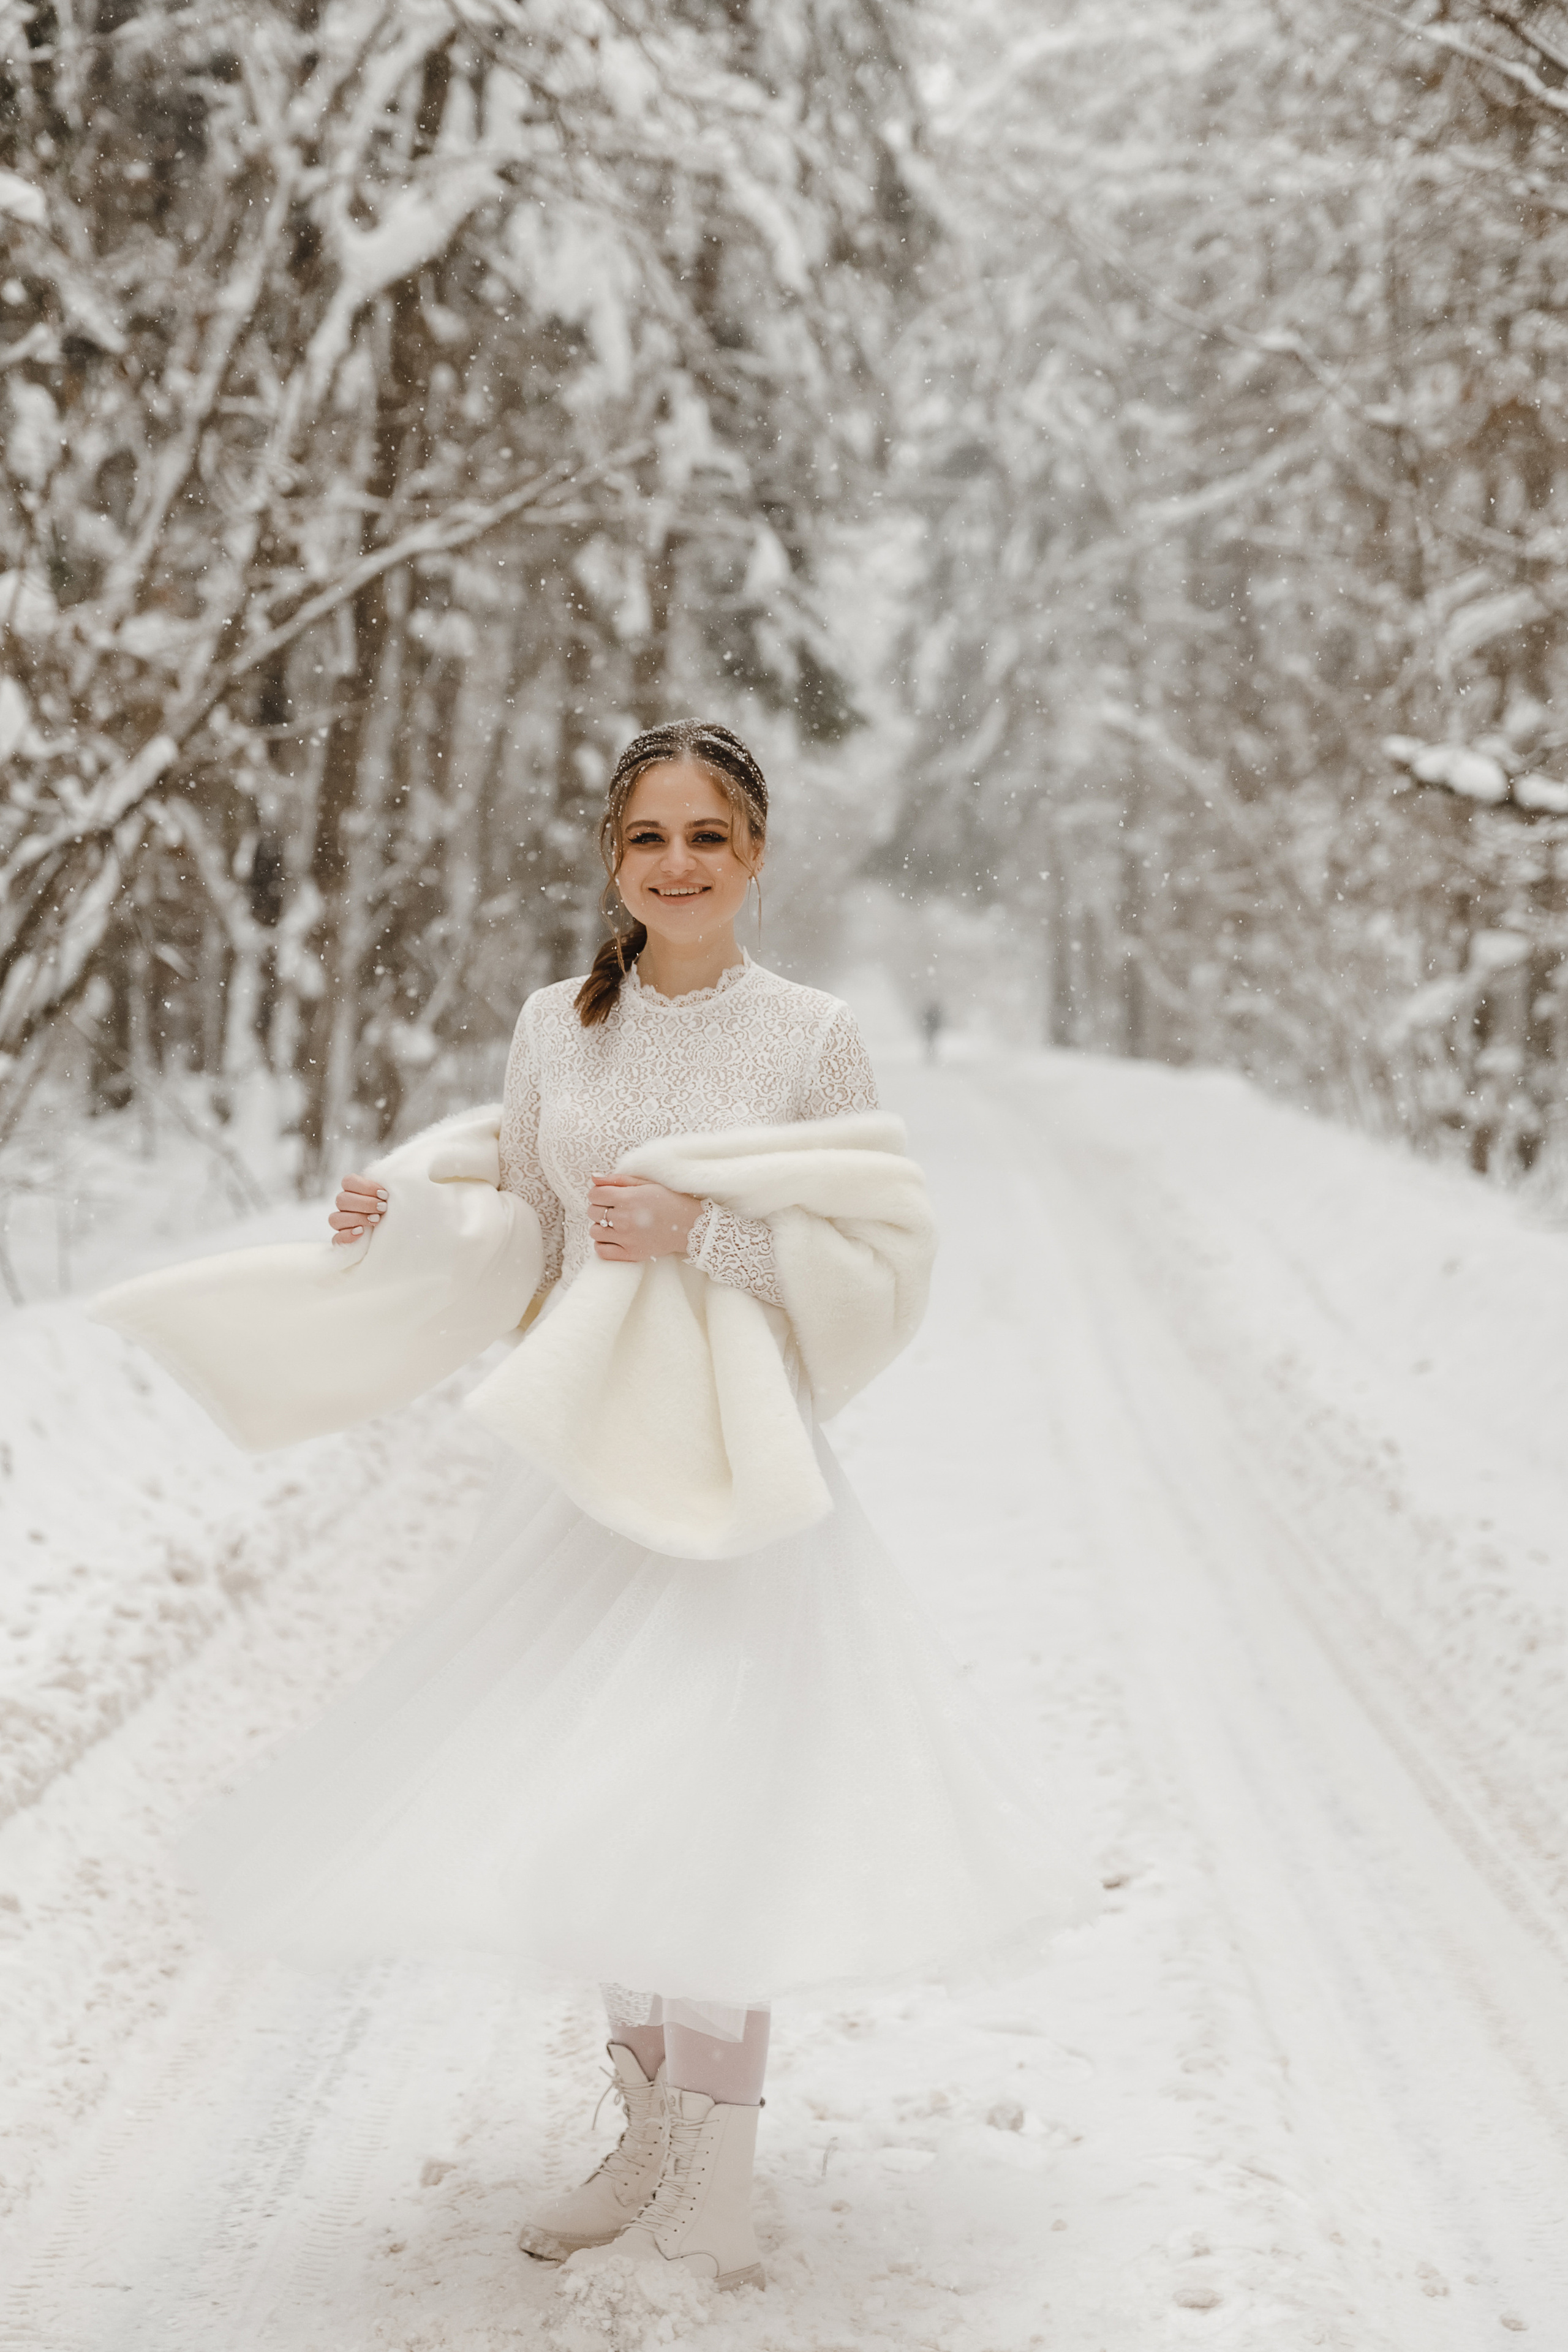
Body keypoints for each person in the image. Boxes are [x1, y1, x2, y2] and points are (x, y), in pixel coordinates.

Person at [146, 719, 1091, 2299]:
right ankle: (646, 2143)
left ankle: (716, 2178)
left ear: (759, 854)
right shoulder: (554, 1028)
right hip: (590, 1479)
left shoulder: (810, 1038)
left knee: (709, 1811)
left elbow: (879, 1263)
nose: (677, 865)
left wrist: (707, 1234)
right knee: (611, 1804)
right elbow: (523, 1217)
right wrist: (407, 1228)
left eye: (708, 837)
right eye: (648, 837)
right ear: (613, 858)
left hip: (735, 1482)